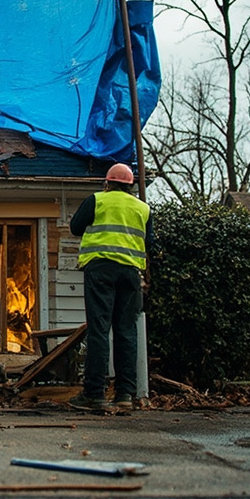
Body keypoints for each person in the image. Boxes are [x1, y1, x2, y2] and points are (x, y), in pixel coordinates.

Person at [67, 162, 154, 412]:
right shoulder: (143, 208)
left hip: (100, 271)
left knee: (99, 331)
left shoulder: (98, 200)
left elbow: (75, 228)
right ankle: (125, 395)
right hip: (130, 274)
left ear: (108, 182)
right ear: (131, 186)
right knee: (126, 332)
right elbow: (150, 243)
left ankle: (94, 394)